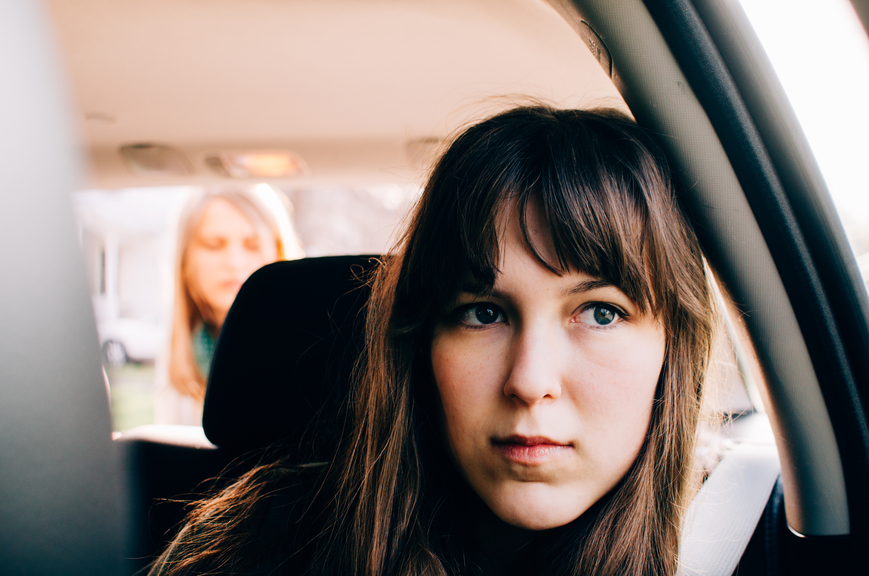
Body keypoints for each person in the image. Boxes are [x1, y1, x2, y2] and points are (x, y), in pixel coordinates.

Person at [149, 106, 716, 575]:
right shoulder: (260, 550)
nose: (529, 381)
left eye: (600, 313)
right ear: (422, 345)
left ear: (674, 349)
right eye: (484, 313)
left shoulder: (741, 540)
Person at [154, 185, 304, 425]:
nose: (234, 263)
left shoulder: (305, 354)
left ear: (278, 255)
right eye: (213, 245)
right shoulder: (177, 352)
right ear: (185, 262)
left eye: (253, 246)